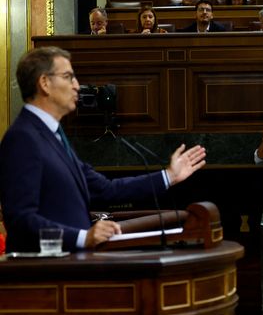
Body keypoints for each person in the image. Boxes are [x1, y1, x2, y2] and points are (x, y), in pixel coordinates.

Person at [0, 46, 207, 253]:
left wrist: (169, 176)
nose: (77, 86)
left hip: (70, 269)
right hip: (45, 276)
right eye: (68, 77)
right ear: (44, 83)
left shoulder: (54, 136)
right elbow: (21, 219)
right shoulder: (23, 138)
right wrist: (83, 237)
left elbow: (105, 189)